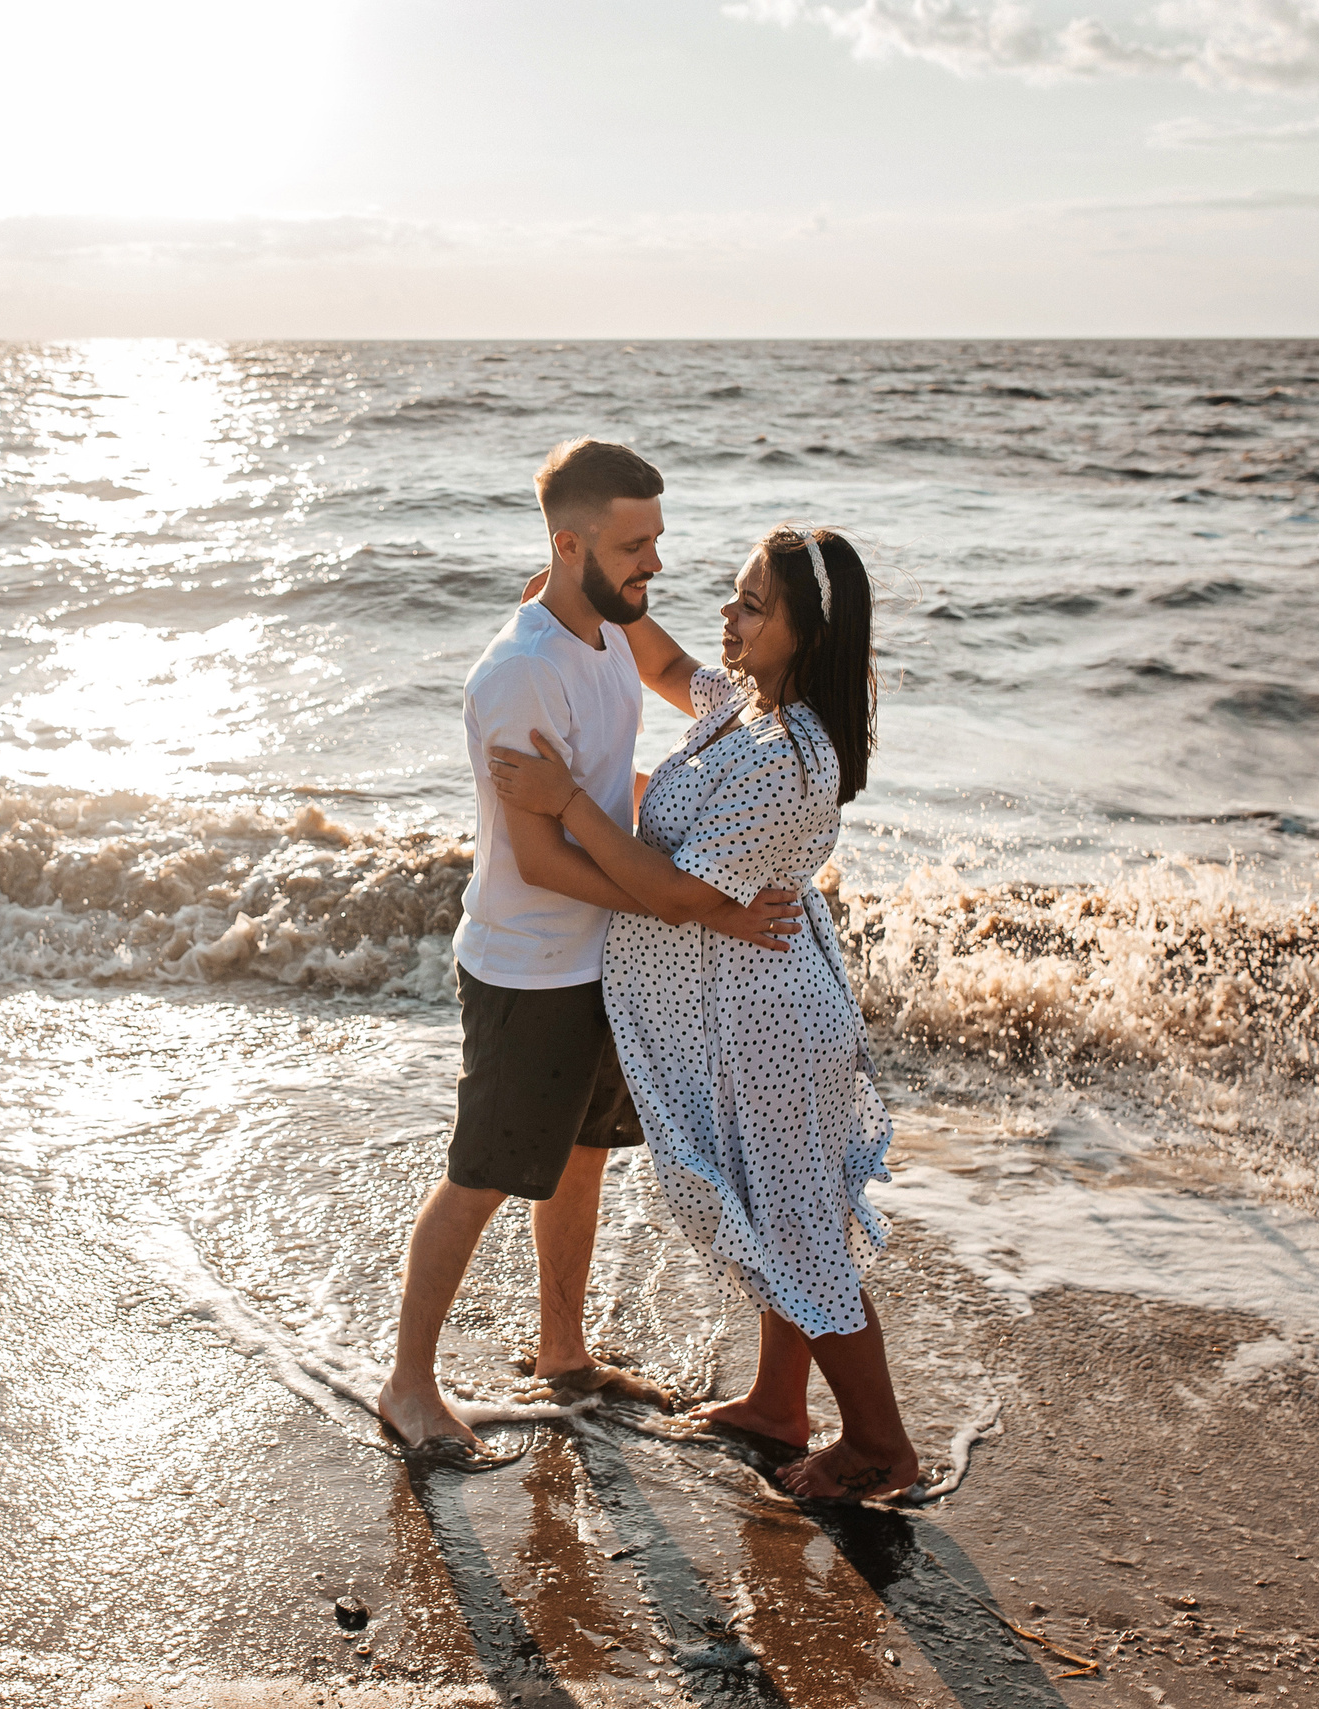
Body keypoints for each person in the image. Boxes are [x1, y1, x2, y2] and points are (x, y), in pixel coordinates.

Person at [374, 441, 806, 1467]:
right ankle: (406, 1386)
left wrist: (774, 714)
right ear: (569, 545)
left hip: (599, 958)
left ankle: (562, 1352)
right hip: (528, 966)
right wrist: (683, 904)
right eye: (633, 544)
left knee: (578, 1162)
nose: (652, 562)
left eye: (655, 539)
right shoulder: (519, 674)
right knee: (480, 1173)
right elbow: (543, 857)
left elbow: (667, 669)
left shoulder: (606, 621)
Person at [487, 524, 922, 1501]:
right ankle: (778, 1402)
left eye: (751, 605)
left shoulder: (792, 756)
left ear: (805, 635)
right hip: (743, 1010)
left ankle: (881, 1443)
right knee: (779, 1207)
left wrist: (568, 799)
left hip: (766, 1021)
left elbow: (681, 893)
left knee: (798, 1224)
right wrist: (578, 588)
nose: (727, 616)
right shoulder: (747, 710)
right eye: (732, 595)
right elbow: (664, 658)